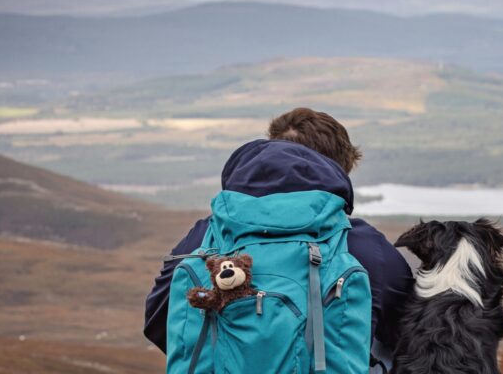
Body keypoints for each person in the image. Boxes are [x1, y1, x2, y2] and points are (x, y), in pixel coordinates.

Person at [143, 108, 415, 363]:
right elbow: (407, 336)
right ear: (338, 173)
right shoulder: (363, 246)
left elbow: (158, 321)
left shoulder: (208, 235)